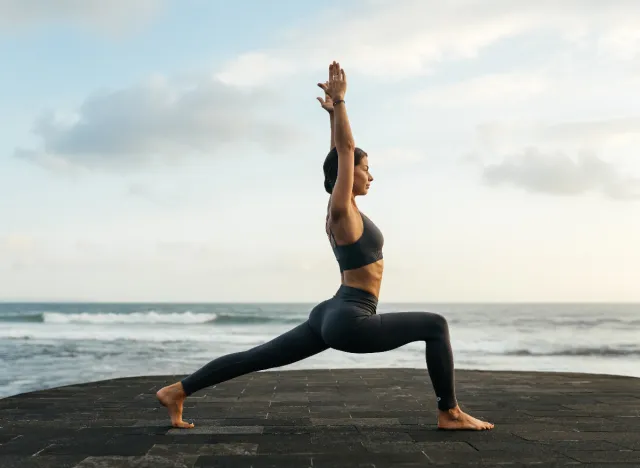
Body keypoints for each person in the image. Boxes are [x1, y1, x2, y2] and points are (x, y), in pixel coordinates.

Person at [157, 61, 494, 431]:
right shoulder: (341, 210)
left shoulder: (344, 210)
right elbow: (345, 149)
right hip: (350, 318)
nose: (370, 175)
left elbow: (339, 151)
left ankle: (178, 391)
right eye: (366, 168)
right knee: (435, 326)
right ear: (348, 173)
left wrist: (333, 113)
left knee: (258, 357)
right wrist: (343, 104)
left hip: (331, 312)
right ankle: (449, 413)